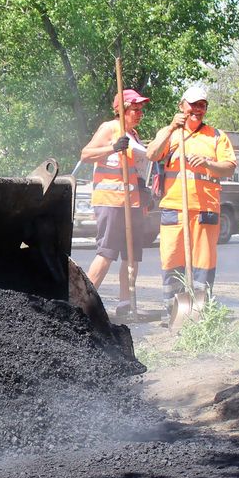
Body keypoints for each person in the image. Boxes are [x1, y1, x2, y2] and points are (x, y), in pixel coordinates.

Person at [147, 84, 236, 313]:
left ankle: (200, 311)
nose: (197, 109)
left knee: (203, 264)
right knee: (172, 261)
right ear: (181, 106)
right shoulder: (170, 134)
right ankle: (173, 311)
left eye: (202, 105)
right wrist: (170, 129)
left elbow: (229, 168)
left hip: (206, 208)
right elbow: (152, 154)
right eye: (193, 104)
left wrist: (208, 163)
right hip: (174, 208)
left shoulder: (217, 136)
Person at [79, 88, 151, 320]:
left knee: (131, 257)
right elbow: (85, 154)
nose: (139, 113)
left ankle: (125, 304)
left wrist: (143, 190)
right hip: (111, 203)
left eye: (141, 109)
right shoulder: (110, 128)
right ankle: (80, 304)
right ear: (121, 109)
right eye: (134, 109)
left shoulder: (135, 136)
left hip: (132, 204)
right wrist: (113, 147)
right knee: (107, 253)